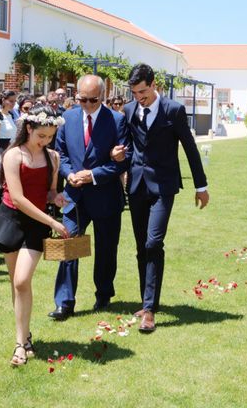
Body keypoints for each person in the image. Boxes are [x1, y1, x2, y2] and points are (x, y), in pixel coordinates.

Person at [112, 63, 209, 333]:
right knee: (142, 246)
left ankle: (150, 310)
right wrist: (119, 155)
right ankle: (147, 301)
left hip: (164, 187)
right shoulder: (129, 111)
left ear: (154, 84)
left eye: (142, 92)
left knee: (154, 242)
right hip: (137, 186)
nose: (139, 98)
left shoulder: (173, 110)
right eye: (134, 93)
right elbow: (129, 149)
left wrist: (201, 186)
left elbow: (190, 149)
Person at [0, 106, 68, 366]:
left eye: (50, 137)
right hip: (12, 220)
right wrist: (53, 221)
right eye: (41, 136)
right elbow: (19, 199)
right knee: (16, 283)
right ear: (29, 128)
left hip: (35, 226)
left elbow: (49, 191)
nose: (45, 141)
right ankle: (25, 337)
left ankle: (20, 346)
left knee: (22, 281)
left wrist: (56, 197)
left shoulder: (53, 158)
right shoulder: (13, 155)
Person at [48, 75, 127, 320]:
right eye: (82, 99)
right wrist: (70, 174)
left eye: (93, 100)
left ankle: (103, 295)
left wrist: (91, 175)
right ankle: (65, 303)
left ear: (102, 97)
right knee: (68, 246)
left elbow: (122, 163)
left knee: (106, 250)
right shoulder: (68, 117)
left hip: (105, 197)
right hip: (75, 197)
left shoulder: (117, 120)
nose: (87, 104)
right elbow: (61, 153)